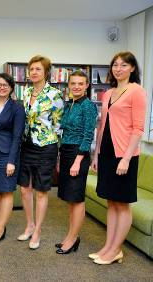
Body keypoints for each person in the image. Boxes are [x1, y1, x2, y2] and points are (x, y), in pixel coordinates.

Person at [90, 51, 146, 264]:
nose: (118, 68)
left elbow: (138, 129)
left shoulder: (137, 91)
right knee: (111, 201)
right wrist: (96, 154)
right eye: (115, 65)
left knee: (122, 203)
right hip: (106, 152)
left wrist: (126, 159)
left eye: (124, 65)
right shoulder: (108, 93)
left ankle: (115, 250)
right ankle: (109, 247)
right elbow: (102, 125)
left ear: (132, 68)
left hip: (125, 154)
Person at [17, 55, 63, 250]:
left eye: (38, 69)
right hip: (26, 145)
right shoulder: (26, 92)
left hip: (46, 147)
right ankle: (30, 224)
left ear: (46, 72)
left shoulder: (55, 94)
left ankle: (38, 231)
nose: (34, 72)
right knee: (24, 189)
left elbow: (59, 125)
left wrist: (57, 152)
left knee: (41, 191)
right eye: (32, 69)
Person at [56, 70, 97, 254]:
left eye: (81, 83)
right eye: (73, 83)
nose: (77, 87)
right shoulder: (70, 103)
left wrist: (77, 161)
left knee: (77, 199)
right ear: (69, 85)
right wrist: (60, 157)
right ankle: (71, 236)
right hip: (66, 151)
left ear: (87, 85)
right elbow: (63, 130)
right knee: (70, 200)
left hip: (77, 154)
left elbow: (88, 136)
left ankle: (73, 238)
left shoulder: (88, 106)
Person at [0, 73, 25, 244]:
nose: (2, 87)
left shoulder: (17, 107)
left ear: (11, 88)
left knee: (7, 191)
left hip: (7, 153)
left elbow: (17, 136)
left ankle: (0, 228)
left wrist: (11, 161)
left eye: (5, 85)